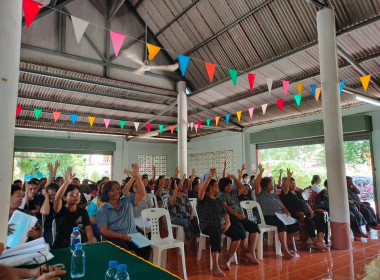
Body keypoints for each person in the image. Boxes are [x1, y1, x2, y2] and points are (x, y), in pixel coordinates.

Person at [97, 164, 151, 260]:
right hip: (115, 238)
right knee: (123, 250)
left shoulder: (127, 200)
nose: (116, 191)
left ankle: (141, 270)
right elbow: (103, 230)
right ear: (106, 193)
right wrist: (122, 236)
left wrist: (137, 177)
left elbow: (142, 194)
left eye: (117, 188)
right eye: (112, 190)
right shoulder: (103, 209)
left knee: (146, 247)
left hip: (133, 235)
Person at [255, 164, 300, 260]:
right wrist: (261, 173)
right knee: (281, 225)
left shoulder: (275, 196)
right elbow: (256, 184)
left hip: (280, 215)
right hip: (268, 216)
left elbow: (283, 207)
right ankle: (285, 251)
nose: (273, 185)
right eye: (271, 184)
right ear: (265, 186)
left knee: (297, 225)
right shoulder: (260, 194)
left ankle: (281, 241)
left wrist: (287, 212)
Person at [280, 169, 327, 250]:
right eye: (291, 183)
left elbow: (305, 203)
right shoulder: (285, 194)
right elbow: (285, 187)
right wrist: (288, 177)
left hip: (306, 213)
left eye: (294, 183)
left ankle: (320, 241)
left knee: (321, 219)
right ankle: (315, 241)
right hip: (297, 215)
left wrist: (311, 211)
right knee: (309, 221)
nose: (294, 185)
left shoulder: (298, 193)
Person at [218, 175, 260, 265]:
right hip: (231, 218)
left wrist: (234, 177)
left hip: (240, 217)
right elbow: (227, 208)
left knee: (254, 227)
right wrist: (237, 214)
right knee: (240, 231)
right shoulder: (221, 195)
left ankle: (250, 252)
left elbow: (242, 187)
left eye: (230, 185)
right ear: (222, 187)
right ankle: (230, 258)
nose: (229, 187)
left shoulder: (233, 192)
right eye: (227, 186)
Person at [197, 168, 230, 277]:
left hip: (218, 226)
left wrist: (228, 223)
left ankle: (228, 259)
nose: (218, 186)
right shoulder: (203, 199)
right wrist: (210, 177)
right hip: (206, 226)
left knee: (238, 231)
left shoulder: (219, 200)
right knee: (216, 234)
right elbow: (201, 189)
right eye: (216, 184)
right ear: (210, 187)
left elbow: (225, 214)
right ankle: (215, 266)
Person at [53, 167, 93, 249]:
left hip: (82, 245)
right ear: (64, 198)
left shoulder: (83, 212)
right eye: (72, 194)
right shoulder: (60, 210)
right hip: (63, 246)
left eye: (77, 194)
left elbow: (88, 229)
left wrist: (90, 241)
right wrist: (66, 182)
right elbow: (57, 200)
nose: (76, 197)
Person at [169, 178, 200, 252]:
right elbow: (172, 203)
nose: (181, 185)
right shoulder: (170, 195)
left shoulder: (184, 195)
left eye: (181, 184)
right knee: (186, 222)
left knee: (196, 221)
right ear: (175, 185)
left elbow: (190, 206)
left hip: (186, 216)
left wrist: (192, 214)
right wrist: (175, 192)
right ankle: (188, 244)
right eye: (179, 184)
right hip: (175, 218)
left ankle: (188, 243)